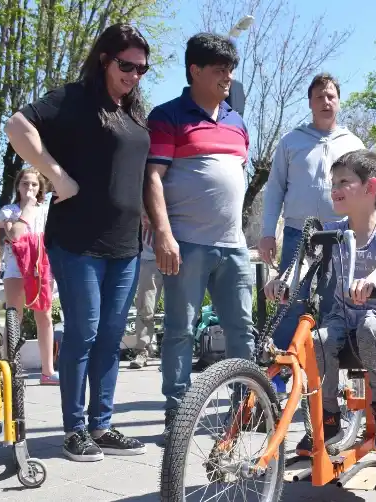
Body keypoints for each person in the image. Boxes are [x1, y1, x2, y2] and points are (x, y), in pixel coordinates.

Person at [4, 23, 151, 461]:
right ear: (105, 59)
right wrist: (56, 175)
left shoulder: (133, 110)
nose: (134, 75)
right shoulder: (73, 98)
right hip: (78, 241)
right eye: (127, 65)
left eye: (142, 68)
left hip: (125, 244)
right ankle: (74, 430)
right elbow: (16, 126)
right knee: (84, 333)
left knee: (110, 336)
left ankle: (102, 425)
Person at [264, 149, 376, 454]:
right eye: (333, 183)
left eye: (344, 182)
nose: (335, 189)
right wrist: (283, 283)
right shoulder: (332, 232)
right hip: (343, 316)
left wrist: (373, 278)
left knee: (370, 328)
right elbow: (303, 265)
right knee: (317, 340)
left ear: (371, 188)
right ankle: (329, 417)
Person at [144, 33, 254, 441]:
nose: (228, 76)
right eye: (219, 69)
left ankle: (245, 408)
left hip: (234, 245)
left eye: (231, 69)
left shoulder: (237, 122)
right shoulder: (168, 116)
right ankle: (177, 413)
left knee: (243, 329)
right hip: (185, 244)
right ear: (195, 70)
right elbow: (152, 176)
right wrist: (164, 234)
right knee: (180, 330)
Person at [259, 73, 365, 354]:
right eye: (319, 96)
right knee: (289, 301)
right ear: (310, 102)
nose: (325, 101)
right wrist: (268, 233)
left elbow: (365, 196)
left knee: (333, 306)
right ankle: (281, 375)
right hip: (297, 234)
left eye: (331, 96)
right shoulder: (291, 142)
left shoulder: (353, 144)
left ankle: (327, 378)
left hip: (339, 236)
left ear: (339, 102)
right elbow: (274, 191)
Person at [0, 167, 58, 385]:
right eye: (25, 184)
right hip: (15, 270)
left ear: (40, 187)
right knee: (15, 319)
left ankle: (48, 371)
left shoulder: (46, 210)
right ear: (18, 187)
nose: (30, 188)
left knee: (44, 317)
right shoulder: (9, 211)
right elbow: (14, 235)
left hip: (41, 270)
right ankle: (10, 370)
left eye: (34, 184)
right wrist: (28, 209)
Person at [128, 212, 163, 369]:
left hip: (176, 257)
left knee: (177, 310)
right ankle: (143, 350)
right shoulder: (141, 194)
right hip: (148, 258)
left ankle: (172, 355)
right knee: (145, 308)